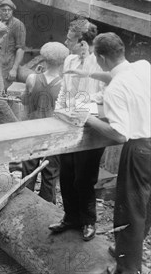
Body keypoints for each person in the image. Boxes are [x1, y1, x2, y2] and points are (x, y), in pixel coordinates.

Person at [82, 33, 150, 274]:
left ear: (100, 57)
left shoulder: (115, 89)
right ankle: (127, 248)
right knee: (146, 205)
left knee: (130, 209)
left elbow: (119, 134)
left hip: (141, 148)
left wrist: (87, 118)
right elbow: (117, 73)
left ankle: (127, 268)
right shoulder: (143, 66)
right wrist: (88, 74)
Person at [49, 19, 106, 241]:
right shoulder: (70, 60)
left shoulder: (100, 63)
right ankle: (71, 217)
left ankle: (88, 220)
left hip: (92, 126)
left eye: (70, 39)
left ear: (82, 43)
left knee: (85, 177)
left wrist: (83, 103)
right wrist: (60, 108)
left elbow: (106, 93)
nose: (65, 42)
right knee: (67, 173)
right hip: (70, 122)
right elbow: (64, 88)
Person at [21, 42, 69, 204]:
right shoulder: (65, 85)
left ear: (44, 59)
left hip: (33, 130)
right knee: (50, 173)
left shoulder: (32, 78)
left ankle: (24, 203)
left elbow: (24, 101)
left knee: (29, 170)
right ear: (62, 62)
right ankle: (48, 206)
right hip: (54, 134)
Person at [0, 0, 26, 91]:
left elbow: (21, 49)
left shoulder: (18, 25)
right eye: (4, 10)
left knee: (4, 91)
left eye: (9, 10)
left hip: (7, 65)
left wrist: (14, 69)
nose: (7, 13)